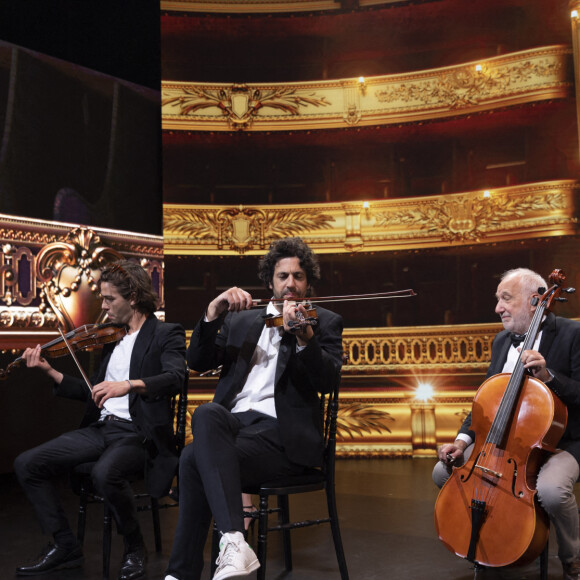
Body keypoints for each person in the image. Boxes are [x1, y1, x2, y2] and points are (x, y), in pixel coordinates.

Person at [164, 237, 343, 580]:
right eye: (283, 276)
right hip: (235, 429)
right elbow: (197, 361)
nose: (291, 283)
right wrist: (212, 313)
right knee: (206, 413)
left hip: (283, 440)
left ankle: (184, 572)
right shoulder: (242, 320)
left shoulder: (324, 322)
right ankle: (234, 541)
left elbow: (327, 382)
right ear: (270, 281)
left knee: (190, 459)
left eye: (299, 276)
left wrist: (306, 338)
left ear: (309, 283)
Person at [14, 260, 186, 580]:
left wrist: (130, 384)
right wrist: (49, 371)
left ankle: (134, 547)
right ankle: (66, 545)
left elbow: (175, 377)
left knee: (105, 473)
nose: (103, 307)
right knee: (28, 463)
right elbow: (94, 392)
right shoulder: (111, 338)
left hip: (139, 434)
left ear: (132, 296)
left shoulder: (165, 333)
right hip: (103, 429)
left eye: (109, 299)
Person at [433, 268, 580, 580]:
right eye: (497, 299)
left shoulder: (571, 334)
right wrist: (460, 442)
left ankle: (572, 560)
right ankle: (492, 543)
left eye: (506, 299)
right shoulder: (501, 341)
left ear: (534, 301)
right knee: (441, 471)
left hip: (562, 441)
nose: (498, 307)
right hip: (506, 441)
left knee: (551, 491)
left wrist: (550, 377)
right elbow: (485, 402)